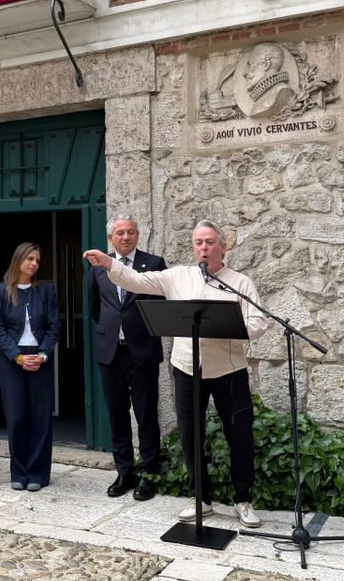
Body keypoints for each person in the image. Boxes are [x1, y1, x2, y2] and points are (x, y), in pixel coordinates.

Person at [84, 219, 270, 528]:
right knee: (190, 435)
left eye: (210, 242)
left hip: (230, 371)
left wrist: (227, 328)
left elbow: (259, 323)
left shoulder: (240, 282)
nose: (203, 247)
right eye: (198, 242)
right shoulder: (177, 277)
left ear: (223, 246)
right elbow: (136, 281)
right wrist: (109, 265)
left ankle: (242, 498)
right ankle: (200, 498)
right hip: (187, 369)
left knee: (239, 436)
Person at [85, 216, 168, 501]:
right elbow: (95, 307)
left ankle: (149, 472)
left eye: (131, 232)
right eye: (120, 233)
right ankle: (124, 471)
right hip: (111, 351)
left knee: (146, 414)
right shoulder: (97, 267)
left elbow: (161, 305)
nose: (126, 237)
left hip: (142, 350)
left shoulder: (154, 263)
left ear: (138, 235)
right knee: (117, 414)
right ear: (111, 238)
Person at [0, 242, 59, 491]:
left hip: (40, 358)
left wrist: (42, 355)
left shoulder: (46, 290)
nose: (34, 264)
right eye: (30, 259)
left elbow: (53, 327)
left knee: (39, 417)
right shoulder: (0, 291)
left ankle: (38, 473)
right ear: (18, 260)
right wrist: (17, 356)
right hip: (12, 361)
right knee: (16, 416)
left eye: (37, 260)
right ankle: (19, 472)